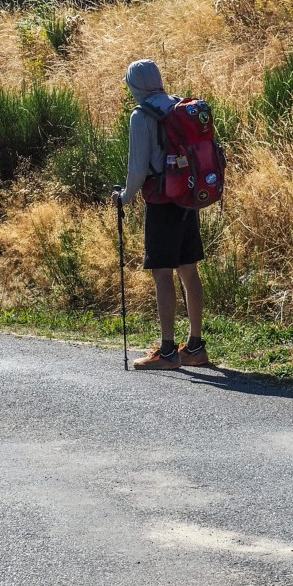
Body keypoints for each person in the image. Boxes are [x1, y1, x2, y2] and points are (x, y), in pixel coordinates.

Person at [111, 59, 209, 371]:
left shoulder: (142, 115)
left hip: (163, 198)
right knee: (188, 270)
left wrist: (124, 197)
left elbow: (138, 168)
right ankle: (195, 346)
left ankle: (167, 352)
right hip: (188, 195)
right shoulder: (180, 105)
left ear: (135, 86)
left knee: (162, 272)